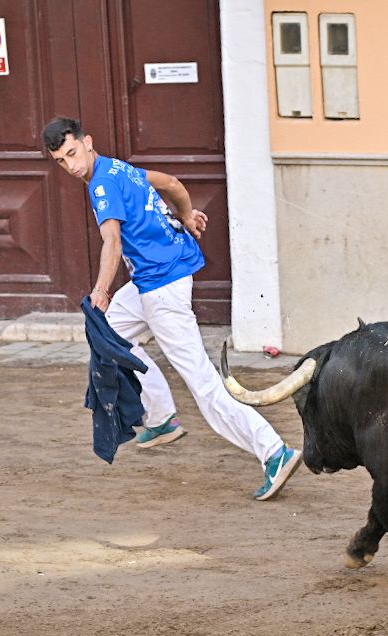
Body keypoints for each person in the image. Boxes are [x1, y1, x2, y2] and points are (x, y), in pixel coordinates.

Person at [41, 117, 302, 501]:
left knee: (204, 385)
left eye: (73, 154)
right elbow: (172, 184)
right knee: (109, 335)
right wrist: (185, 213)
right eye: (61, 161)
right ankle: (161, 418)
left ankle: (274, 451)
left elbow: (111, 242)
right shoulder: (119, 167)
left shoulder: (101, 185)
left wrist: (100, 289)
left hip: (162, 288)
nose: (72, 166)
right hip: (158, 278)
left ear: (87, 143)